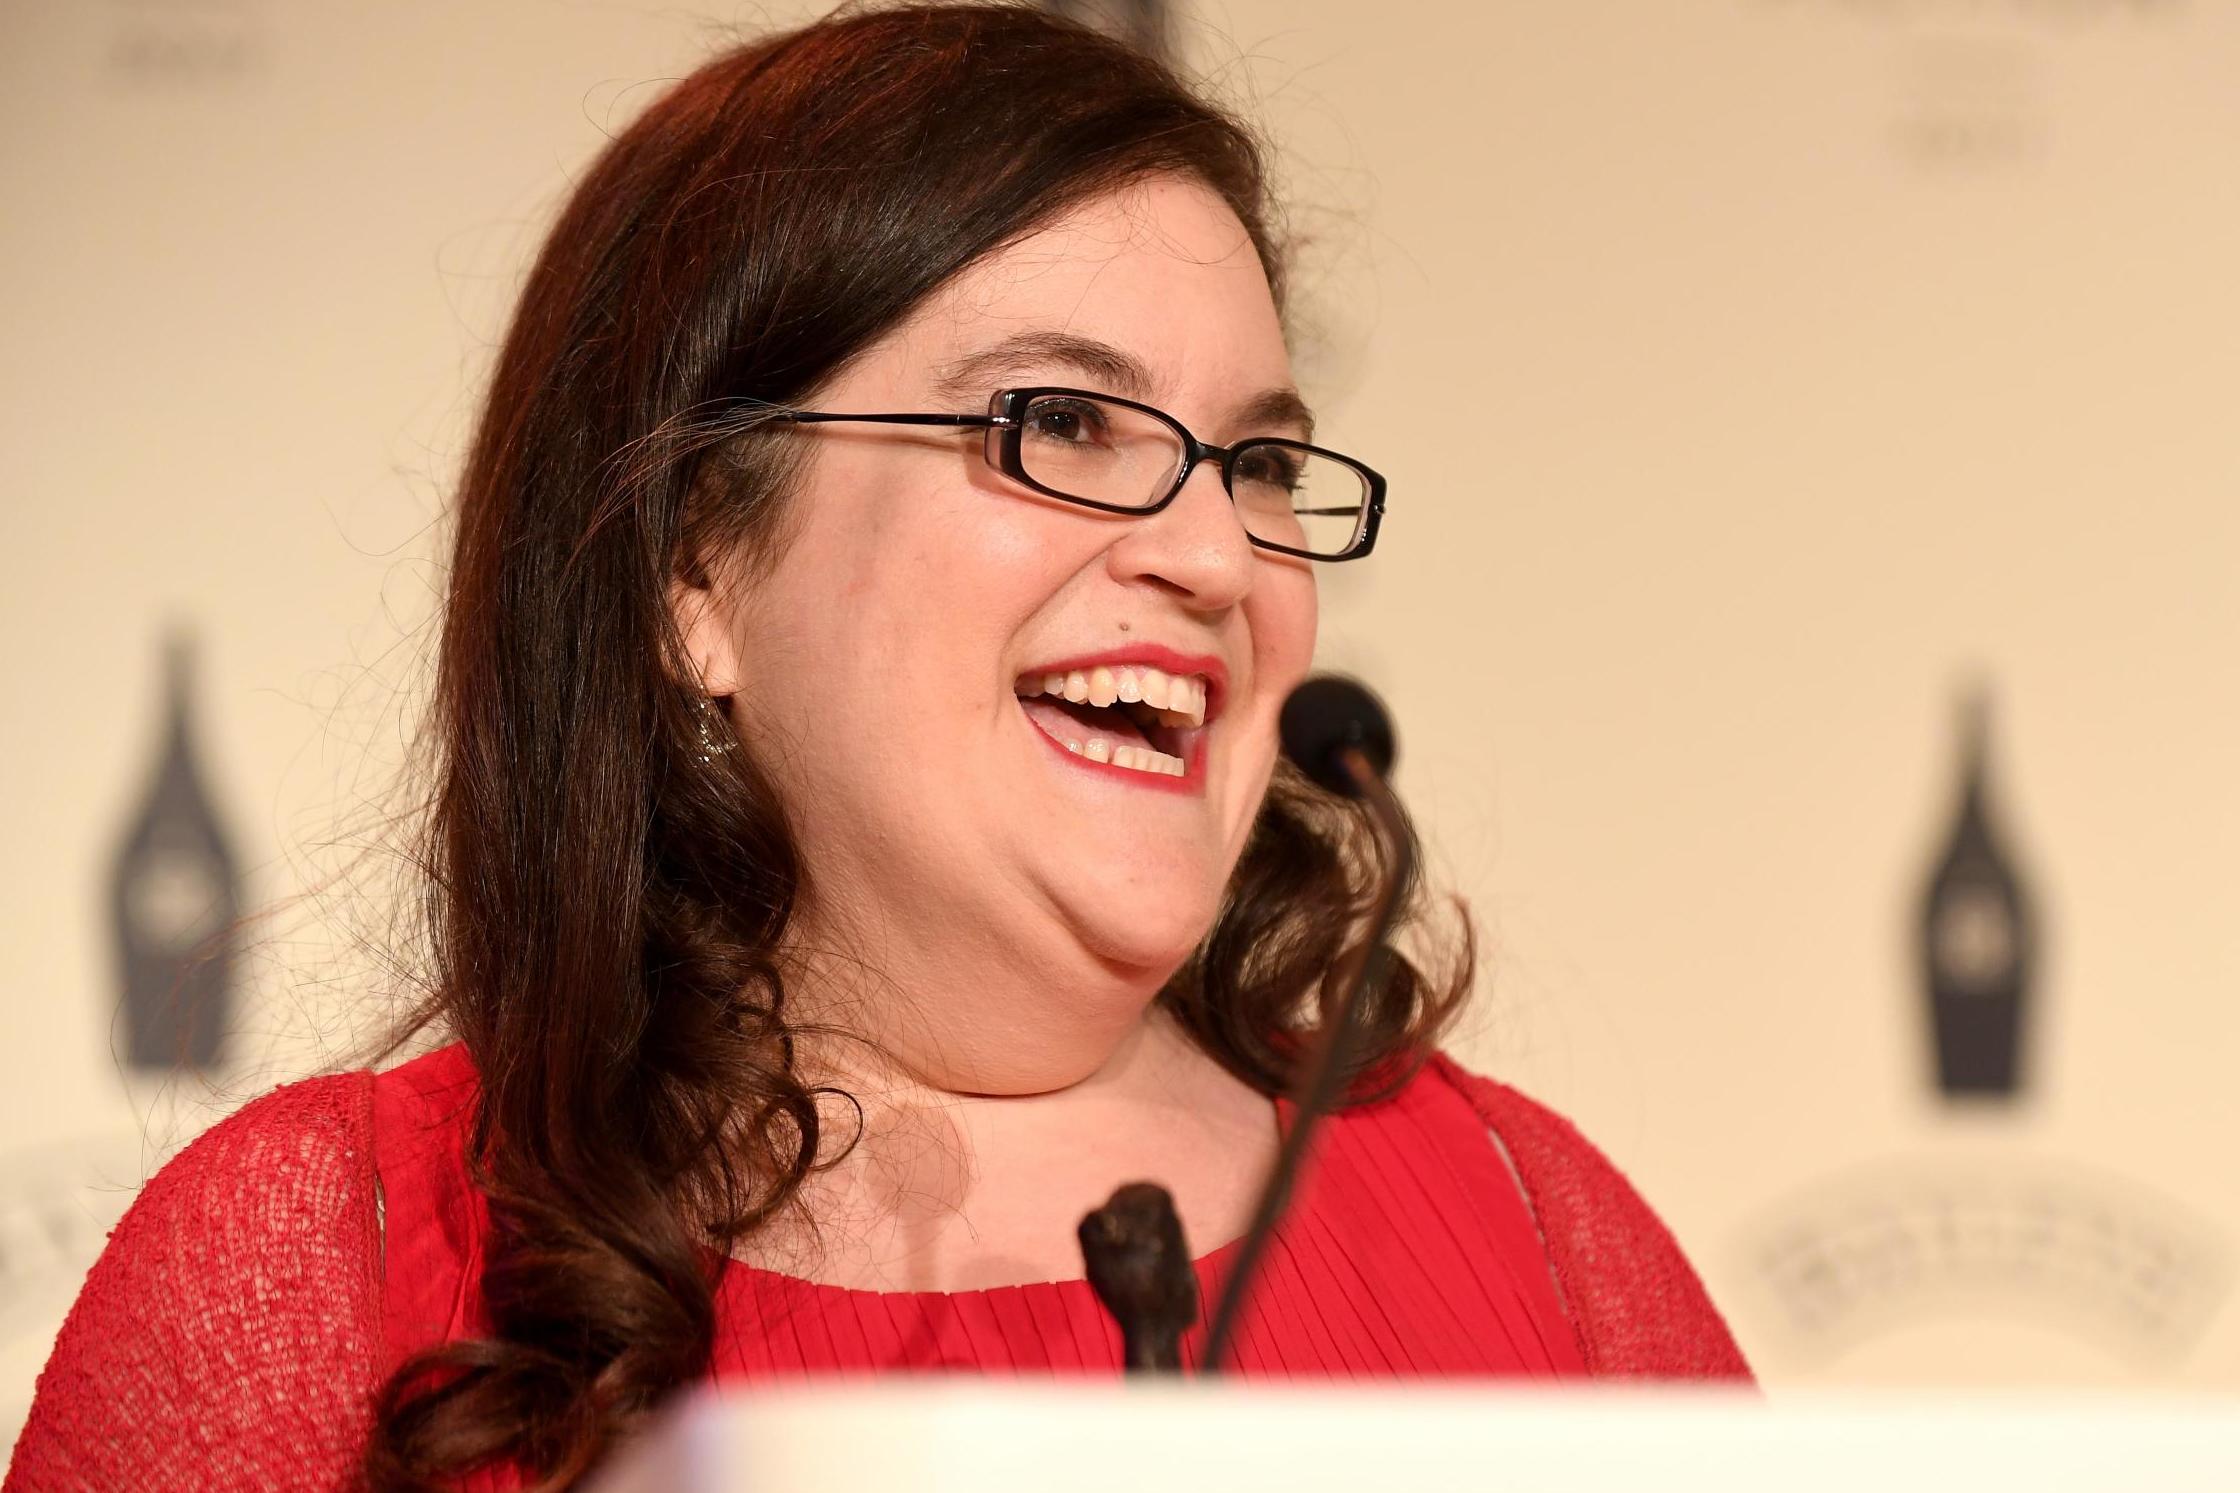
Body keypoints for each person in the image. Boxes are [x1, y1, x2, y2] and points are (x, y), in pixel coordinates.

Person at [8, 5, 1749, 1489]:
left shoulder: (1530, 1225)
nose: (1218, 560)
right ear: (698, 560)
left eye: (1263, 465)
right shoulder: (325, 1262)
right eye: (1064, 422)